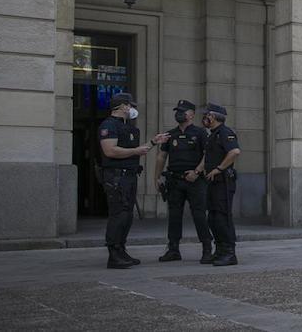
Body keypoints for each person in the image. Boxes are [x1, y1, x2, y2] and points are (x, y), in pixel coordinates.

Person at [98, 93, 163, 269]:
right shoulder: (109, 125)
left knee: (127, 216)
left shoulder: (128, 127)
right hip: (117, 177)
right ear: (122, 107)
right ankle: (113, 254)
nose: (132, 109)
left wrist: (152, 143)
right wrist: (135, 152)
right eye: (130, 106)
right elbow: (110, 151)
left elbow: (137, 150)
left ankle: (121, 250)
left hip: (129, 176)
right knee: (118, 215)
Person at [153, 99, 213, 263]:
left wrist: (196, 172)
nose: (178, 114)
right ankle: (173, 249)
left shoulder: (200, 133)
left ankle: (207, 249)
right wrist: (157, 177)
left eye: (182, 111)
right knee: (174, 216)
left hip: (195, 180)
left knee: (199, 215)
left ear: (191, 114)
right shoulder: (170, 134)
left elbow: (207, 155)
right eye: (177, 111)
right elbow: (162, 156)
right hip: (174, 180)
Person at [201, 103, 241, 266]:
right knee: (213, 218)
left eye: (206, 115)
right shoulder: (213, 134)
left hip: (223, 182)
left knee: (222, 218)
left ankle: (229, 253)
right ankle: (219, 250)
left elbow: (234, 152)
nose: (204, 118)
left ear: (213, 116)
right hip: (213, 182)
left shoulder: (225, 132)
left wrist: (219, 168)